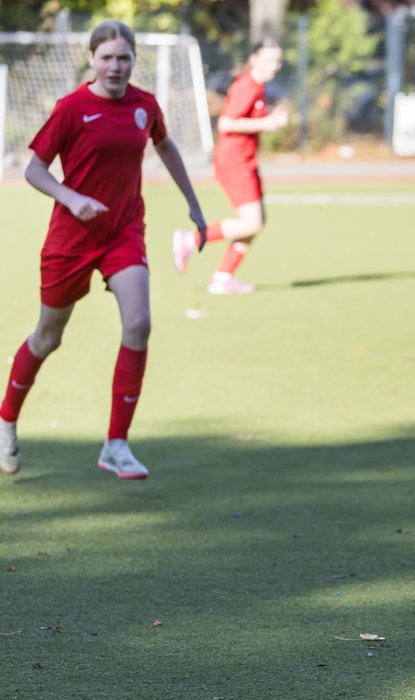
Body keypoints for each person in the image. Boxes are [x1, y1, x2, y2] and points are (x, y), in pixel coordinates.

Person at [0, 20, 206, 479]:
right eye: (107, 57)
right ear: (92, 59)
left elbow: (166, 146)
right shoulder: (71, 109)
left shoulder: (144, 106)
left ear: (134, 60)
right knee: (48, 337)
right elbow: (34, 170)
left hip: (123, 231)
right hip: (71, 239)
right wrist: (71, 198)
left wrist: (193, 203)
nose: (115, 66)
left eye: (124, 58)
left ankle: (116, 444)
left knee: (139, 324)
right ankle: (6, 419)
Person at [173, 39, 288, 294]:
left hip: (246, 160)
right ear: (254, 59)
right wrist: (267, 123)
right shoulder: (247, 85)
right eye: (269, 60)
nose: (275, 66)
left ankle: (223, 277)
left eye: (277, 60)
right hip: (234, 162)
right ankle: (190, 240)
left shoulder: (258, 86)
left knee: (257, 220)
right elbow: (226, 123)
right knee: (252, 222)